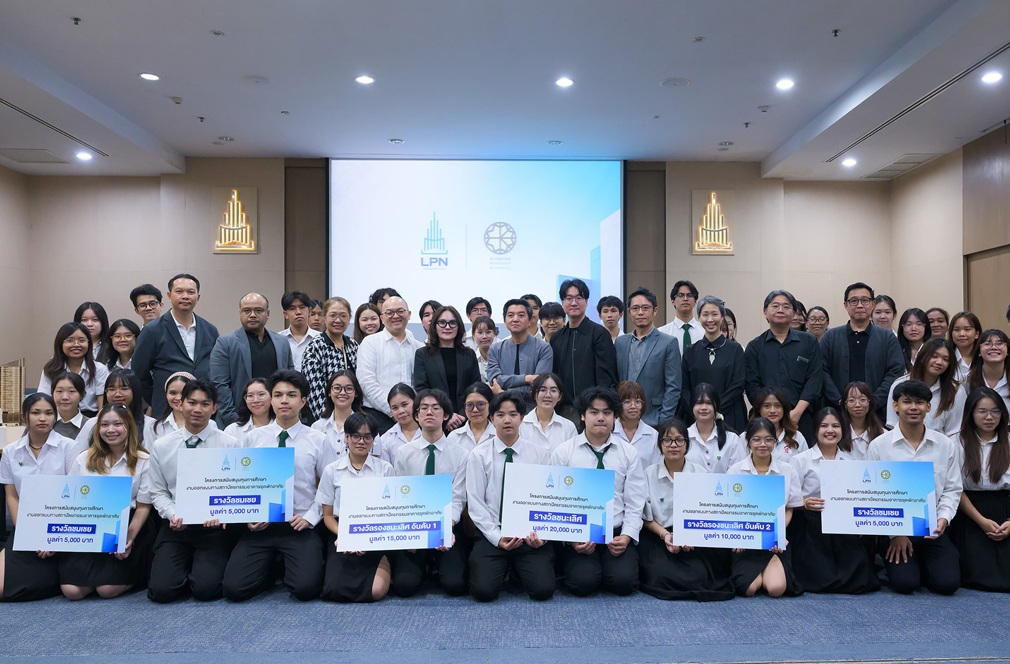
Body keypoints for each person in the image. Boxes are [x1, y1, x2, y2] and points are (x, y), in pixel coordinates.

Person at [223, 370, 329, 602]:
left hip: (299, 524)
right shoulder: (254, 438)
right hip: (262, 525)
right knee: (234, 589)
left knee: (305, 589)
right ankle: (271, 569)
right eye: (278, 395)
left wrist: (310, 517)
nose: (284, 400)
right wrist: (248, 516)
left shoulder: (318, 440)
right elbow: (243, 484)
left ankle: (284, 565)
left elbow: (327, 487)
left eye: (291, 395)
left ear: (303, 401)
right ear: (271, 400)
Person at [146, 380, 240, 602]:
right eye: (192, 402)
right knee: (161, 592)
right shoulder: (162, 446)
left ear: (214, 408)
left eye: (205, 404)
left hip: (213, 528)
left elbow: (235, 490)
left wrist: (221, 513)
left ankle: (197, 573)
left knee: (206, 590)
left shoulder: (230, 444)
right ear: (180, 404)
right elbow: (158, 492)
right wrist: (172, 514)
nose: (198, 409)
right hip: (176, 526)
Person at [868, 379, 962, 595]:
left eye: (919, 403)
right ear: (895, 406)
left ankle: (925, 564)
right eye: (907, 402)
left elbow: (952, 489)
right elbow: (874, 494)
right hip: (896, 531)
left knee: (947, 584)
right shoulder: (879, 446)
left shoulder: (945, 445)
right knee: (906, 584)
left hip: (933, 529)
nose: (913, 407)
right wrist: (895, 534)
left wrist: (943, 519)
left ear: (928, 407)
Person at [550, 386, 646, 596]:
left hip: (616, 532)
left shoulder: (628, 453)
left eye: (607, 412)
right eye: (594, 412)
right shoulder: (564, 452)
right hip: (579, 532)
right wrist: (572, 540)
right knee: (582, 584)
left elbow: (635, 501)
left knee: (624, 583)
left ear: (614, 417)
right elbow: (556, 502)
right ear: (583, 416)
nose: (601, 418)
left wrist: (627, 536)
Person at [466, 391, 555, 601]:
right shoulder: (479, 455)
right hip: (493, 532)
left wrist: (540, 536)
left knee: (542, 591)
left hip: (529, 534)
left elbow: (548, 500)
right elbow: (476, 503)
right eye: (500, 415)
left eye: (513, 414)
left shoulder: (540, 454)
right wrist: (497, 537)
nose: (507, 420)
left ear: (522, 418)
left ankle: (516, 569)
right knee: (483, 592)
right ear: (491, 419)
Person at [60, 404, 155, 600]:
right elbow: (71, 501)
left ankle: (140, 573)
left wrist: (128, 538)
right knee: (72, 591)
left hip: (128, 524)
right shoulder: (84, 458)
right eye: (104, 425)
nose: (111, 430)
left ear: (129, 426)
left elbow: (143, 507)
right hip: (91, 523)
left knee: (107, 590)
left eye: (117, 424)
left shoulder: (144, 459)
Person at [638, 419, 735, 601]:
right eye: (667, 440)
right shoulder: (648, 474)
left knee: (700, 576)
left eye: (679, 440)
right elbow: (646, 518)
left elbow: (709, 514)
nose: (673, 445)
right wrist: (666, 535)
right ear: (660, 445)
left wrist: (690, 536)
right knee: (661, 575)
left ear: (687, 444)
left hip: (694, 536)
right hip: (660, 535)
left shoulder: (701, 473)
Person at [788, 407, 879, 594]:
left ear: (843, 430)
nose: (830, 430)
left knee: (860, 577)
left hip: (841, 524)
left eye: (835, 426)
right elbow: (790, 499)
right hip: (810, 523)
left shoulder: (851, 462)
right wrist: (804, 503)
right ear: (815, 430)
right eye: (824, 426)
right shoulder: (800, 460)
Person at [390, 388, 471, 597]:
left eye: (436, 408)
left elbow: (458, 499)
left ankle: (437, 565)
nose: (429, 412)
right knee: (404, 586)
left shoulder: (460, 454)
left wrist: (445, 529)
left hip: (447, 525)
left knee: (455, 585)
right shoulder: (404, 453)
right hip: (414, 525)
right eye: (423, 408)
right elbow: (399, 497)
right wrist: (408, 534)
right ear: (416, 415)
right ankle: (425, 566)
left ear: (446, 415)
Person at [0, 394, 76, 601]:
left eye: (49, 413)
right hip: (28, 526)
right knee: (2, 588)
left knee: (69, 587)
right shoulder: (10, 452)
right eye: (36, 413)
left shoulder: (69, 447)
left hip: (62, 526)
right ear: (24, 416)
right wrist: (29, 535)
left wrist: (54, 538)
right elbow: (12, 497)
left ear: (55, 417)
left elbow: (75, 496)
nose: (43, 418)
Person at [316, 412, 394, 602]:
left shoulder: (385, 469)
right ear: (346, 437)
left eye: (367, 437)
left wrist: (367, 538)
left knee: (376, 591)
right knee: (333, 590)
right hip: (341, 532)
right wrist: (346, 536)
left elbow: (390, 514)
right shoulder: (331, 470)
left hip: (376, 533)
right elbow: (328, 516)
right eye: (356, 436)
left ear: (374, 440)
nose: (361, 441)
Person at [726, 417, 803, 597]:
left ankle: (769, 570)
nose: (763, 444)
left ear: (775, 442)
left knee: (776, 589)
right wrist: (736, 536)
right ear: (748, 441)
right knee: (748, 589)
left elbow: (789, 508)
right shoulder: (735, 471)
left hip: (774, 543)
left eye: (768, 439)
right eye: (757, 439)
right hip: (745, 542)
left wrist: (777, 533)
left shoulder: (787, 470)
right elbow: (729, 510)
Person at [132, 273, 221, 418]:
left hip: (202, 411)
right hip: (166, 410)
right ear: (169, 295)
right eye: (179, 291)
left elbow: (217, 370)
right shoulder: (152, 331)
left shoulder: (210, 329)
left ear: (198, 297)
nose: (185, 296)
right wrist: (158, 398)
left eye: (190, 292)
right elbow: (138, 374)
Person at [949, 387, 1010, 592]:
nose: (989, 417)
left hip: (1005, 507)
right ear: (970, 413)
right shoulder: (956, 443)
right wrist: (982, 521)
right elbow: (954, 488)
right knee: (976, 574)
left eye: (995, 411)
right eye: (982, 411)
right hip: (969, 511)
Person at [744, 290, 822, 441]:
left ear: (793, 313)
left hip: (801, 417)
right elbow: (752, 385)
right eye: (775, 306)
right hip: (764, 419)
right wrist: (769, 410)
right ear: (765, 312)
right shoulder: (754, 346)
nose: (780, 310)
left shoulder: (809, 342)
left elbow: (815, 379)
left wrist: (797, 413)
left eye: (786, 307)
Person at [820, 282, 905, 420]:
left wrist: (874, 402)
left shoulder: (887, 337)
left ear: (873, 304)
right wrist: (840, 401)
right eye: (853, 301)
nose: (859, 305)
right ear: (845, 305)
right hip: (838, 413)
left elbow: (895, 371)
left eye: (865, 300)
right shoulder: (831, 337)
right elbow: (822, 371)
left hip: (878, 413)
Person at [210, 293, 294, 426]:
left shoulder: (282, 342)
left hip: (277, 419)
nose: (252, 315)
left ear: (268, 313)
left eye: (258, 310)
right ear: (240, 314)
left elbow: (290, 381)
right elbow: (219, 385)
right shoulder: (225, 343)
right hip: (239, 419)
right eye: (247, 311)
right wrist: (233, 419)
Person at [551, 279, 618, 425]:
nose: (574, 303)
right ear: (562, 302)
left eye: (579, 298)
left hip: (591, 409)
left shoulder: (599, 334)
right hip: (562, 411)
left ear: (586, 302)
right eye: (569, 298)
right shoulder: (557, 338)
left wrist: (598, 408)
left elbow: (605, 378)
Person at [356, 296, 424, 433]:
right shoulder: (370, 343)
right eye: (389, 313)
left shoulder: (419, 347)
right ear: (382, 318)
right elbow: (366, 382)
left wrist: (412, 412)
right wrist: (394, 411)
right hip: (378, 416)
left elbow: (421, 385)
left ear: (409, 314)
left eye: (400, 311)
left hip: (414, 418)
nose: (396, 316)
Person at [615, 287, 681, 428]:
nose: (640, 312)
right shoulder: (621, 342)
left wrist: (664, 421)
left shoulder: (668, 342)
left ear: (654, 311)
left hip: (654, 418)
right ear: (629, 312)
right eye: (635, 308)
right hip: (622, 420)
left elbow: (673, 386)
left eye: (645, 308)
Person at [682, 294, 746, 431]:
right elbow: (685, 389)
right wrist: (698, 410)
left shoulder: (736, 350)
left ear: (722, 317)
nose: (710, 319)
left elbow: (738, 384)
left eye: (714, 314)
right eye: (705, 315)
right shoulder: (690, 352)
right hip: (697, 417)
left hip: (730, 415)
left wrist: (715, 409)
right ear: (699, 317)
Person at [413, 305, 481, 428]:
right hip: (435, 418)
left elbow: (475, 387)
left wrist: (461, 415)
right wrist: (447, 414)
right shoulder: (422, 354)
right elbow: (422, 389)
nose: (447, 327)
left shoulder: (469, 354)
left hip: (466, 417)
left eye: (452, 323)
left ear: (459, 326)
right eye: (442, 323)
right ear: (435, 325)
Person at [886, 338, 965, 436]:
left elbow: (954, 431)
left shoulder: (956, 391)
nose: (939, 362)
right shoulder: (900, 384)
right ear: (922, 357)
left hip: (941, 443)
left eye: (946, 359)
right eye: (934, 356)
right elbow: (893, 425)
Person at [487, 298, 553, 408]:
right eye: (510, 315)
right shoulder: (495, 349)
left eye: (521, 315)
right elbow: (496, 381)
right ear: (504, 320)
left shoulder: (544, 348)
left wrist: (504, 392)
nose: (515, 319)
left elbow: (539, 386)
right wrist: (526, 378)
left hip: (533, 410)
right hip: (501, 410)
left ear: (530, 320)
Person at [302, 296, 360, 419]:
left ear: (349, 318)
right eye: (333, 315)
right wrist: (328, 420)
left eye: (343, 316)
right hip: (326, 418)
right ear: (324, 318)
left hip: (354, 416)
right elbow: (314, 390)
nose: (338, 320)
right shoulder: (315, 346)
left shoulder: (353, 345)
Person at [38, 322, 109, 417]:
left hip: (91, 418)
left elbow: (102, 407)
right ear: (60, 343)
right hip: (58, 418)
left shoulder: (99, 369)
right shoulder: (51, 369)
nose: (76, 344)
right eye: (70, 340)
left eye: (81, 340)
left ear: (89, 343)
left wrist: (93, 423)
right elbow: (44, 399)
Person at [74, 369, 155, 449]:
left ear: (135, 391)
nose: (117, 394)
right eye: (112, 389)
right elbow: (78, 453)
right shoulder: (92, 424)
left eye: (124, 388)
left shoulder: (151, 426)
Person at [684, 383, 746, 473]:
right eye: (699, 403)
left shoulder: (732, 439)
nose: (704, 407)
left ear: (716, 406)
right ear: (692, 406)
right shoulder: (682, 438)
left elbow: (739, 474)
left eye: (709, 403)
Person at [309, 370, 362, 459]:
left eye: (348, 388)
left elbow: (375, 460)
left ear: (356, 393)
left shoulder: (366, 426)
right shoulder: (317, 427)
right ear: (329, 392)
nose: (342, 393)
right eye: (337, 388)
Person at [519, 373, 577, 453]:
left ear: (559, 396)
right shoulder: (520, 425)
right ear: (534, 394)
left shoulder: (568, 427)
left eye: (553, 390)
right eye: (543, 390)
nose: (548, 395)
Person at [750, 387, 807, 457]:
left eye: (777, 406)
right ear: (759, 409)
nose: (772, 411)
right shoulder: (747, 436)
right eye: (767, 406)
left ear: (784, 409)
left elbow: (805, 462)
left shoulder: (796, 436)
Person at [615, 381, 660, 469]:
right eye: (627, 402)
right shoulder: (608, 432)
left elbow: (655, 469)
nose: (633, 406)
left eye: (638, 401)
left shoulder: (653, 435)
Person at [964, 329, 1010, 413]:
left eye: (999, 343)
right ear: (979, 352)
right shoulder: (966, 381)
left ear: (1007, 351)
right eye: (987, 343)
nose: (994, 347)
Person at [373, 383, 420, 465]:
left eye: (404, 405)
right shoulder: (386, 439)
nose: (401, 411)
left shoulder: (429, 431)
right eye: (395, 408)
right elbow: (385, 470)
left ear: (415, 402)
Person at [839, 381, 885, 459]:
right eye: (851, 400)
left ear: (869, 403)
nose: (857, 405)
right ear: (845, 405)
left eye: (862, 400)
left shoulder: (883, 434)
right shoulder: (838, 434)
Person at [658, 280, 704, 355]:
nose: (685, 299)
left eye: (689, 295)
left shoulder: (704, 331)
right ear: (673, 301)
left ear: (695, 301)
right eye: (680, 295)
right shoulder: (662, 333)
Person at [223, 378, 274, 445]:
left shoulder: (282, 429)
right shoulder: (232, 431)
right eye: (250, 395)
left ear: (272, 397)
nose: (255, 400)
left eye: (261, 394)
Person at [279, 291, 321, 372]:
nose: (298, 312)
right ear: (285, 314)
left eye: (302, 307)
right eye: (292, 308)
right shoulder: (278, 340)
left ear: (309, 311)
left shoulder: (321, 339)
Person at [446, 382, 496, 448]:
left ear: (490, 404)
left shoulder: (499, 436)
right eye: (469, 405)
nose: (475, 410)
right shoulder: (454, 437)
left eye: (480, 404)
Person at [51, 371, 89, 439]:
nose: (65, 397)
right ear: (52, 394)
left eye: (71, 391)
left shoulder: (90, 425)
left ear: (82, 395)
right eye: (59, 391)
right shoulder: (43, 422)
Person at [949, 311, 982, 382]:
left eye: (967, 329)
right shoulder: (947, 357)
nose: (961, 334)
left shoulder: (984, 357)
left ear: (977, 334)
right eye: (957, 330)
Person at [897, 307, 931, 372]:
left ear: (926, 327)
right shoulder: (895, 350)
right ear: (902, 327)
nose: (913, 328)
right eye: (908, 324)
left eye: (919, 324)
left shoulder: (932, 350)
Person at [471, 315, 498, 384]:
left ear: (495, 333)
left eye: (488, 332)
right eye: (480, 332)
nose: (484, 336)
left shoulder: (502, 356)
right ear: (473, 335)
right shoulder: (470, 359)